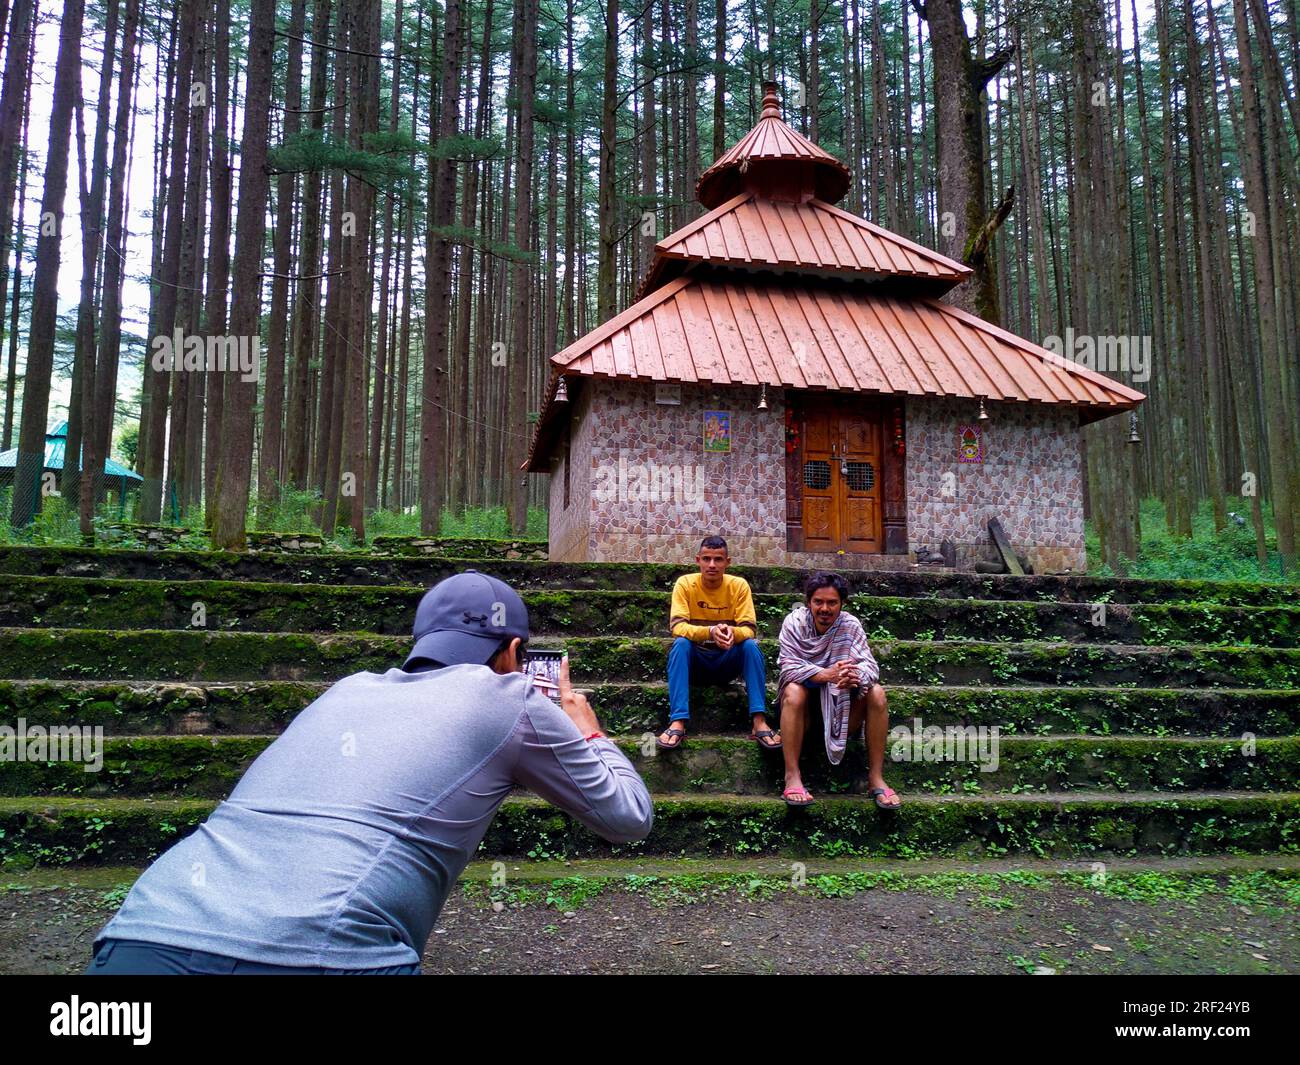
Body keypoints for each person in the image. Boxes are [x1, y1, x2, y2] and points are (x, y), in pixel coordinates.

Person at [84, 569, 653, 975]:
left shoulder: (345, 690)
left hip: (144, 930)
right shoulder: (511, 695)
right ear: (512, 653)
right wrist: (587, 728)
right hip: (326, 949)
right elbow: (628, 818)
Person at [775, 570, 900, 810]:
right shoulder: (794, 623)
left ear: (842, 604)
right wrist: (826, 675)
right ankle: (792, 776)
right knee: (793, 690)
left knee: (877, 693)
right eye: (818, 602)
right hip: (805, 718)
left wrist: (854, 675)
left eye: (832, 603)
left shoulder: (850, 625)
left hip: (843, 715)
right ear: (808, 602)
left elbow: (869, 666)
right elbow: (788, 666)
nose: (825, 609)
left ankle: (876, 779)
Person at [655, 535, 780, 751]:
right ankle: (678, 721)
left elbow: (749, 629)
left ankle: (759, 720)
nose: (712, 565)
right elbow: (677, 627)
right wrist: (710, 632)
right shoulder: (685, 584)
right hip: (696, 662)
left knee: (751, 646)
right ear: (698, 560)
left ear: (727, 562)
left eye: (718, 559)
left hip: (726, 661)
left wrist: (731, 632)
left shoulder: (738, 585)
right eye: (707, 559)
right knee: (680, 645)